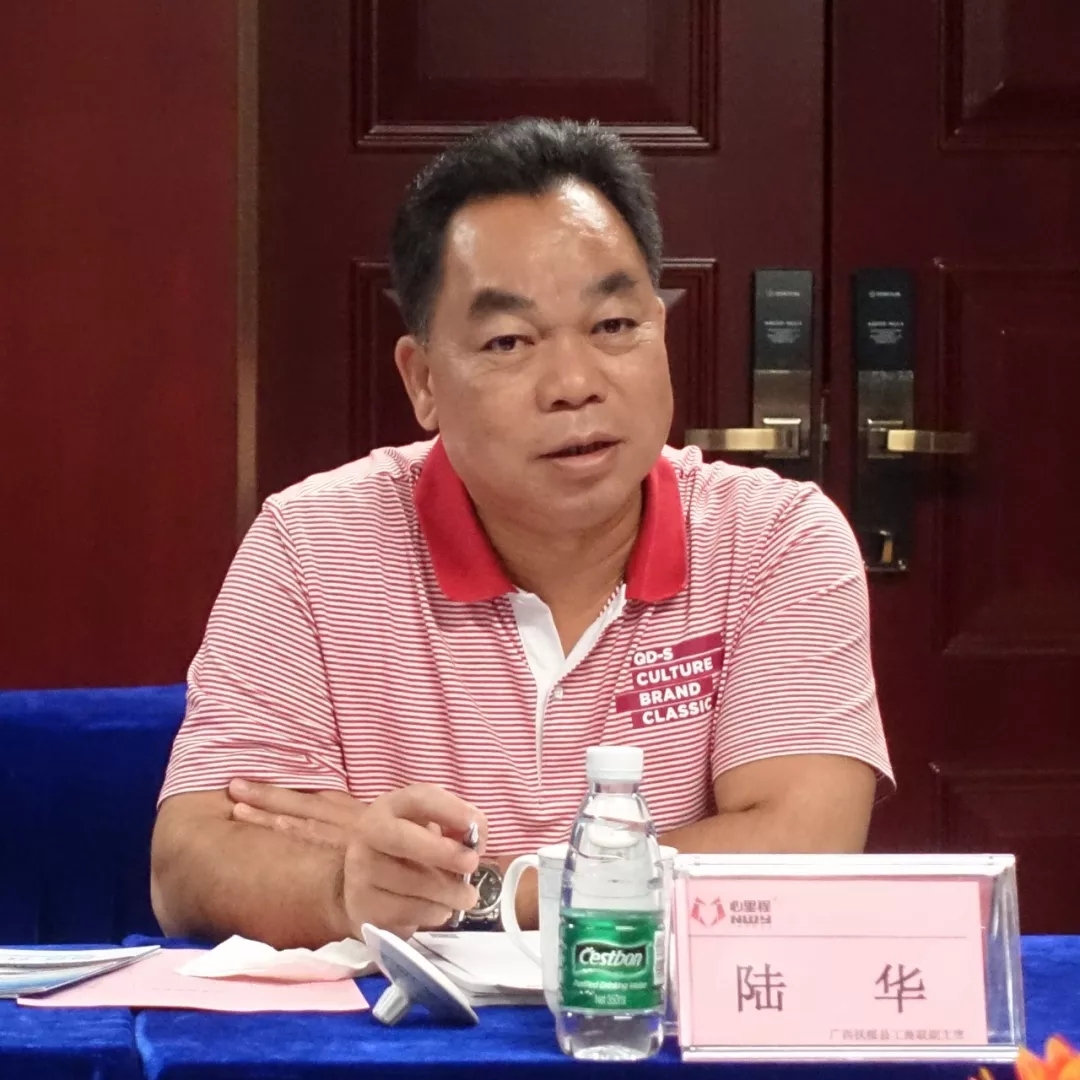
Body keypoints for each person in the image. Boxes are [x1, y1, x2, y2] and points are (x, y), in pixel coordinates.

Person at [151, 117, 892, 949]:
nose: (574, 383)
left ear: (660, 330)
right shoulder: (312, 543)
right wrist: (342, 886)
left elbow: (797, 852)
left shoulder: (777, 539)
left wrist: (478, 890)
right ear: (423, 382)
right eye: (509, 341)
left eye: (614, 327)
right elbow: (191, 861)